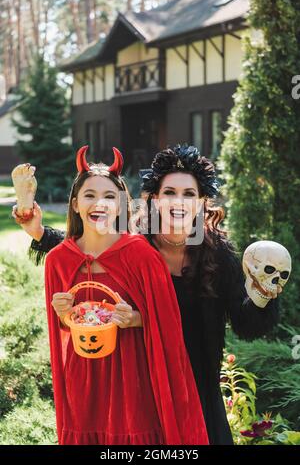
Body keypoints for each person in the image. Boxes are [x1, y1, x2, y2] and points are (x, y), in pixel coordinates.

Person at [13, 144, 281, 445]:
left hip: (197, 380)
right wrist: (37, 231)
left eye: (189, 194)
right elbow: (90, 247)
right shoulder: (137, 243)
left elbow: (245, 323)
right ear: (153, 199)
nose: (178, 202)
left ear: (202, 201)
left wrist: (262, 293)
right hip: (145, 381)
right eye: (169, 192)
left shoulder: (216, 255)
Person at [30, 145, 209, 445]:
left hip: (132, 381)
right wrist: (63, 316)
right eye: (90, 195)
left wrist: (136, 319)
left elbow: (168, 325)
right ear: (75, 204)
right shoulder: (58, 260)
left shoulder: (142, 256)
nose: (99, 203)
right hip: (83, 379)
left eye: (109, 196)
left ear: (122, 205)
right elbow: (62, 331)